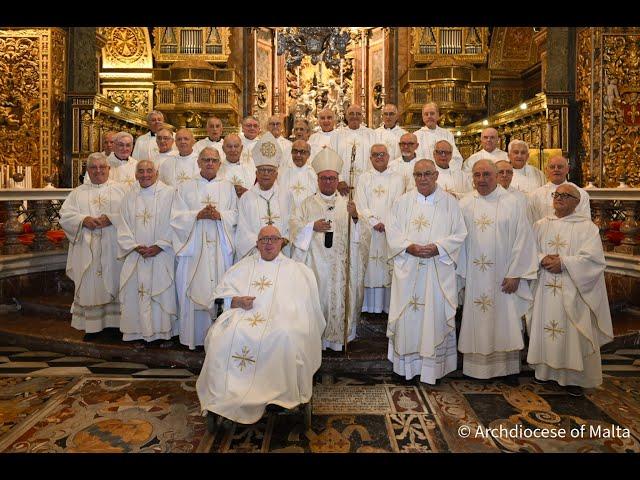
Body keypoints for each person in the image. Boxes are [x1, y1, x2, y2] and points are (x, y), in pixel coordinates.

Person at [196, 225, 325, 425]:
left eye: (273, 239)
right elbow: (217, 299)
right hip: (243, 318)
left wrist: (287, 317)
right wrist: (235, 301)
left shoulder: (297, 270)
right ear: (256, 244)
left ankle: (280, 395)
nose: (268, 243)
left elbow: (307, 309)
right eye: (264, 239)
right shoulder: (242, 267)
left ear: (282, 242)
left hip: (282, 322)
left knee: (286, 336)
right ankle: (225, 395)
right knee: (223, 337)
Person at [526, 184, 613, 396]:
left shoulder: (587, 228)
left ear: (577, 201)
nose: (560, 198)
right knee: (546, 328)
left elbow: (593, 261)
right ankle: (545, 373)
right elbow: (529, 252)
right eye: (557, 195)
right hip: (545, 288)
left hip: (573, 289)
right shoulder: (540, 225)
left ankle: (573, 378)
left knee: (572, 333)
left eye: (566, 196)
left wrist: (564, 263)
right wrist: (542, 258)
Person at [386, 159, 467, 384]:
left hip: (436, 271)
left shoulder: (450, 203)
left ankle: (434, 370)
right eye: (418, 174)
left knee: (434, 317)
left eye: (427, 174)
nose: (422, 178)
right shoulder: (402, 202)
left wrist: (438, 248)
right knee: (408, 318)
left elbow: (460, 234)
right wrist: (408, 247)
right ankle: (406, 368)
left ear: (436, 176)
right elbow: (392, 232)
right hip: (409, 269)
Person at [458, 160, 538, 380]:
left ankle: (507, 369)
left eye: (486, 174)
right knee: (476, 318)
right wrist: (461, 275)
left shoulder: (512, 203)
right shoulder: (464, 204)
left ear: (496, 176)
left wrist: (515, 274)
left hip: (504, 277)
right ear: (471, 178)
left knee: (506, 319)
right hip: (475, 276)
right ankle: (475, 368)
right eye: (477, 175)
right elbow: (458, 241)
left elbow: (523, 240)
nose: (482, 179)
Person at [290, 148, 370, 351]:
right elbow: (294, 227)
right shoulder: (306, 205)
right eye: (324, 178)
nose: (328, 182)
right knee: (317, 299)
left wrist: (355, 217)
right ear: (317, 179)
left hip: (340, 269)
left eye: (332, 178)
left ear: (337, 180)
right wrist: (311, 227)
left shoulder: (347, 204)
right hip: (315, 268)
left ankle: (338, 341)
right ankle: (316, 341)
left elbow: (361, 237)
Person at [171, 148, 238, 350]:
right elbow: (176, 216)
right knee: (192, 288)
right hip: (194, 250)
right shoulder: (185, 186)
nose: (210, 163)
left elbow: (235, 214)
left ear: (220, 163)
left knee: (219, 288)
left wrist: (220, 216)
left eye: (214, 160)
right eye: (206, 160)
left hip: (219, 247)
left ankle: (220, 339)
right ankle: (193, 338)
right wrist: (196, 215)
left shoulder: (227, 187)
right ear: (198, 162)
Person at [59, 153, 126, 336]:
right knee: (91, 283)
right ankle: (93, 328)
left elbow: (131, 215)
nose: (98, 171)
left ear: (108, 169)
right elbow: (64, 216)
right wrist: (83, 220)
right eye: (94, 167)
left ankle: (116, 325)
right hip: (87, 248)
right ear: (88, 170)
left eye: (102, 167)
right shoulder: (78, 193)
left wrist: (112, 219)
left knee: (114, 280)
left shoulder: (122, 190)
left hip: (113, 248)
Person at [117, 160, 178, 345]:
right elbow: (123, 224)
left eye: (149, 171)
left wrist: (160, 245)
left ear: (156, 173)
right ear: (135, 175)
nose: (145, 175)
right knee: (136, 293)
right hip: (137, 254)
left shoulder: (170, 194)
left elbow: (175, 222)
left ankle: (161, 333)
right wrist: (134, 246)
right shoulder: (129, 196)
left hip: (162, 254)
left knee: (161, 292)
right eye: (141, 171)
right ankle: (137, 332)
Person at [355, 144, 404, 313]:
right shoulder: (363, 178)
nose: (379, 157)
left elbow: (399, 204)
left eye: (382, 154)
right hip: (370, 230)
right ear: (370, 158)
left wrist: (387, 223)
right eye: (375, 154)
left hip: (389, 231)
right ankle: (369, 306)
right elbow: (360, 202)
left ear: (388, 157)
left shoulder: (397, 178)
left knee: (386, 268)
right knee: (370, 267)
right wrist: (373, 221)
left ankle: (386, 306)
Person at [235, 132, 293, 260]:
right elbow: (243, 229)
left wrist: (283, 241)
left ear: (276, 174)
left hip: (282, 254)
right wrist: (260, 245)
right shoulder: (246, 198)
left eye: (270, 170)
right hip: (256, 255)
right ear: (256, 173)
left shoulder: (286, 196)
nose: (266, 174)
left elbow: (292, 223)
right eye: (262, 170)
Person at [528, 155, 591, 224]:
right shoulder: (536, 195)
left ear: (567, 169)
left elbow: (586, 222)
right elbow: (531, 223)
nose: (556, 169)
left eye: (560, 167)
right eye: (552, 167)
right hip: (544, 233)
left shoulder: (580, 194)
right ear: (546, 170)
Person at [330, 104, 376, 196]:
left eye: (358, 114)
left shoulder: (371, 134)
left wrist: (371, 180)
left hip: (367, 183)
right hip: (343, 186)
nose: (355, 116)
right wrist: (339, 179)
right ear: (346, 116)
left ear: (362, 116)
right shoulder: (337, 135)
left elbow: (375, 159)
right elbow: (333, 159)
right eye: (351, 114)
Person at [415, 102, 463, 170]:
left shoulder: (447, 134)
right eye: (426, 114)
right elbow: (415, 159)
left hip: (445, 174)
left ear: (438, 115)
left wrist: (445, 170)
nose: (429, 116)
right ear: (423, 117)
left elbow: (456, 158)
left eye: (432, 113)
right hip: (426, 175)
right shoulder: (416, 136)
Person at [278, 140, 317, 209]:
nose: (298, 155)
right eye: (295, 151)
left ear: (308, 155)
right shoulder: (282, 173)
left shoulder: (314, 174)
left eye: (302, 152)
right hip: (287, 215)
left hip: (307, 215)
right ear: (291, 153)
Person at [218, 134, 256, 198]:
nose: (233, 150)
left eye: (236, 146)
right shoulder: (218, 170)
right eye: (229, 146)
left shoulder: (251, 168)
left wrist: (246, 193)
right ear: (223, 149)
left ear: (241, 148)